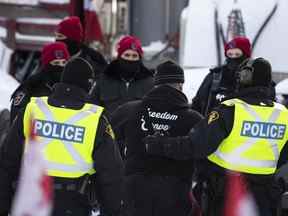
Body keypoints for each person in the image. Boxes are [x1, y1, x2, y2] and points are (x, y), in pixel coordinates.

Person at [144, 58, 288, 216]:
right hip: (264, 196)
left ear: (246, 77)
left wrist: (159, 144)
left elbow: (196, 145)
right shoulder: (283, 114)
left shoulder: (230, 110)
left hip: (228, 192)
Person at [0, 57, 124, 216]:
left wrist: (3, 206)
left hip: (31, 200)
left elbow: (7, 161)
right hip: (73, 203)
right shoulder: (95, 120)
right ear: (89, 85)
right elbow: (111, 174)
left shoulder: (32, 110)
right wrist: (114, 211)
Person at [111, 60, 203, 216]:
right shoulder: (194, 119)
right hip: (176, 195)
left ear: (156, 84)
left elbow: (105, 143)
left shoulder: (129, 111)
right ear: (180, 85)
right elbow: (205, 159)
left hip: (134, 192)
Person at [91, 35, 154, 114]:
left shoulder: (150, 83)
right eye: (127, 55)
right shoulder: (104, 80)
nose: (130, 59)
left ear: (140, 59)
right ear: (119, 56)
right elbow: (91, 107)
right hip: (109, 125)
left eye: (134, 56)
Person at [10, 42, 70, 123]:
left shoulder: (72, 86)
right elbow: (16, 115)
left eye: (64, 63)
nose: (61, 67)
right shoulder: (32, 85)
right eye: (56, 63)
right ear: (46, 64)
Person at [192, 36, 252, 116]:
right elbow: (198, 103)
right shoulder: (215, 76)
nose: (233, 58)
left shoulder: (255, 78)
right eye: (230, 54)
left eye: (237, 54)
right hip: (213, 125)